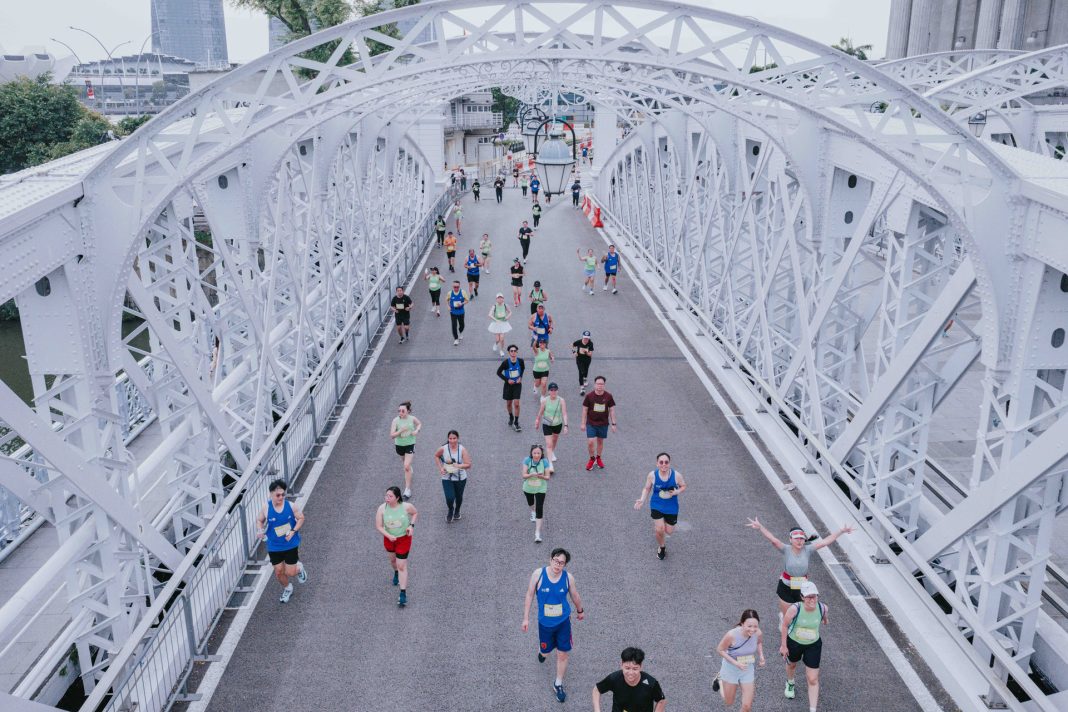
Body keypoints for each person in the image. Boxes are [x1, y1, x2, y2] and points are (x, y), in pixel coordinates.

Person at [745, 517, 854, 618]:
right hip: (786, 586)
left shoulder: (808, 549)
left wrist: (841, 531)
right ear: (790, 539)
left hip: (802, 586)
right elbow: (773, 540)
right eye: (796, 538)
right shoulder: (786, 549)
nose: (799, 541)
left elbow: (825, 542)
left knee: (801, 614)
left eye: (802, 538)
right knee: (787, 616)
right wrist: (760, 527)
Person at [521, 548, 586, 703]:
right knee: (545, 652)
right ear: (550, 559)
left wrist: (580, 610)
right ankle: (542, 651)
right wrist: (525, 619)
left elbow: (575, 595)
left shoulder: (568, 578)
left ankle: (558, 683)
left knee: (563, 654)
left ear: (565, 565)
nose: (558, 565)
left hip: (563, 622)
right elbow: (529, 595)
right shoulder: (538, 574)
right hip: (545, 624)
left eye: (561, 563)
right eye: (556, 561)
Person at [258, 478, 307, 604]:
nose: (281, 497)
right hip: (274, 546)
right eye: (278, 495)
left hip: (290, 544)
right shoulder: (266, 507)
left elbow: (301, 518)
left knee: (290, 572)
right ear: (271, 494)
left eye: (283, 495)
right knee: (279, 571)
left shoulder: (291, 506)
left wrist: (293, 531)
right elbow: (260, 520)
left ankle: (299, 568)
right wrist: (260, 530)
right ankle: (288, 589)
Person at [780, 581, 828, 709]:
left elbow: (825, 619)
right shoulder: (794, 609)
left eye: (814, 596)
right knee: (792, 664)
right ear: (802, 597)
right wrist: (784, 646)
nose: (812, 600)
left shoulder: (823, 608)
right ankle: (790, 682)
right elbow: (784, 625)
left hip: (813, 645)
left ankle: (813, 709)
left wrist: (825, 620)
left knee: (812, 679)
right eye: (808, 597)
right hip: (794, 642)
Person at [633, 452, 687, 560]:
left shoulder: (676, 475)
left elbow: (683, 486)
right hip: (656, 504)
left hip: (671, 507)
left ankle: (661, 526)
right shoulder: (652, 475)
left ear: (669, 463)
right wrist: (642, 499)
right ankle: (662, 547)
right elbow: (647, 488)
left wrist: (677, 492)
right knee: (659, 529)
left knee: (669, 531)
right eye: (661, 462)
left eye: (666, 462)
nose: (664, 464)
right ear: (657, 463)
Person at [712, 610, 766, 711]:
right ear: (742, 623)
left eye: (755, 626)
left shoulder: (758, 633)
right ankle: (720, 681)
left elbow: (759, 643)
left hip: (747, 668)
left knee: (747, 706)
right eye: (749, 626)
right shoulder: (732, 635)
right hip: (730, 668)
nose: (753, 629)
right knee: (729, 702)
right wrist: (736, 663)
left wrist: (761, 656)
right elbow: (720, 649)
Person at [375, 486, 418, 607]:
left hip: (404, 539)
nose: (387, 498)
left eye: (390, 496)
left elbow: (415, 513)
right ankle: (395, 572)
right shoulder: (382, 508)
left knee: (402, 566)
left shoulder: (406, 506)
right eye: (386, 495)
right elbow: (378, 526)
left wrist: (411, 526)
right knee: (393, 561)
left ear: (397, 498)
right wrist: (388, 535)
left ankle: (403, 594)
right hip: (389, 539)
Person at [593, 647, 667, 712]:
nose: (631, 673)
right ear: (622, 664)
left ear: (641, 666)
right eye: (627, 668)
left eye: (635, 669)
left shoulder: (651, 683)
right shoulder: (614, 678)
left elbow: (661, 700)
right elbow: (597, 690)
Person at [433, 430, 471, 523]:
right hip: (447, 477)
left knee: (458, 496)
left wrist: (459, 466)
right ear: (448, 439)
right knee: (449, 497)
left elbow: (468, 464)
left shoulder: (462, 449)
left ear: (458, 438)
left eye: (454, 438)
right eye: (450, 438)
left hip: (460, 478)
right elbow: (436, 456)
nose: (452, 440)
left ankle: (457, 510)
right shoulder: (443, 448)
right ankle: (450, 510)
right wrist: (441, 468)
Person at [580, 376, 616, 471]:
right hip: (591, 423)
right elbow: (584, 410)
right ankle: (592, 458)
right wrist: (583, 423)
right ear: (595, 385)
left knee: (600, 441)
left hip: (603, 423)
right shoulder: (589, 396)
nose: (600, 386)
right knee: (591, 441)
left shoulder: (608, 396)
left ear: (604, 385)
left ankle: (598, 458)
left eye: (602, 384)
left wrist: (613, 424)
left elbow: (612, 410)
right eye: (598, 384)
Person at [389, 401, 421, 499]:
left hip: (410, 444)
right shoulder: (395, 421)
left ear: (408, 411)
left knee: (406, 466)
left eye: (403, 411)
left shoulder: (412, 418)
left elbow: (419, 424)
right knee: (405, 463)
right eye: (399, 411)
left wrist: (417, 430)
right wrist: (400, 431)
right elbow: (392, 435)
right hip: (399, 445)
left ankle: (407, 490)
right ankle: (409, 468)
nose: (400, 413)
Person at [522, 444, 553, 543]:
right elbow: (524, 475)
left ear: (541, 453)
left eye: (538, 453)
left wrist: (541, 476)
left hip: (541, 488)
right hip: (528, 488)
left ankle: (537, 533)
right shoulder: (527, 460)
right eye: (534, 453)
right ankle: (533, 511)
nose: (536, 455)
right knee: (531, 503)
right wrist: (531, 474)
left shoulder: (544, 462)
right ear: (531, 453)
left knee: (540, 508)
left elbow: (548, 477)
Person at [535, 383, 568, 463]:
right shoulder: (545, 400)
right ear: (549, 391)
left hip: (558, 424)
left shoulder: (561, 400)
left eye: (555, 390)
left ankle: (552, 452)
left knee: (554, 440)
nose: (553, 392)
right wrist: (537, 420)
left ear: (557, 391)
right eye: (551, 390)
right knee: (549, 444)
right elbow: (540, 412)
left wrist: (566, 425)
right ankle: (549, 463)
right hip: (547, 423)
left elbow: (564, 413)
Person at [497, 345, 525, 431]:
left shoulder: (520, 361)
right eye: (511, 351)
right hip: (508, 385)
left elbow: (523, 369)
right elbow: (498, 372)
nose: (513, 352)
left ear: (517, 352)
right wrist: (507, 380)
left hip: (517, 385)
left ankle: (516, 422)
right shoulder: (505, 363)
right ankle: (511, 416)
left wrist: (520, 377)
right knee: (509, 404)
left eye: (515, 351)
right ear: (509, 353)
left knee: (516, 404)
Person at [447, 281, 467, 345]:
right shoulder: (450, 293)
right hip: (453, 311)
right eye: (454, 287)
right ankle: (456, 339)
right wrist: (448, 306)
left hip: (461, 311)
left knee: (462, 325)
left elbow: (467, 300)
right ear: (452, 287)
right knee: (454, 325)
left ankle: (460, 332)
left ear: (459, 286)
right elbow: (447, 300)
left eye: (457, 287)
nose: (456, 288)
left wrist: (462, 303)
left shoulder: (463, 292)